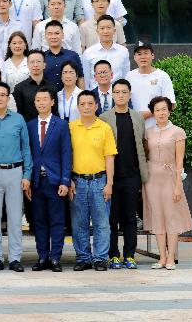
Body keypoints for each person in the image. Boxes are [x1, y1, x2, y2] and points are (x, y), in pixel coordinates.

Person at [0, 82, 31, 272]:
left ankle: (15, 258)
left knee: (15, 217)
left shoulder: (18, 119)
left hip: (15, 172)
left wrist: (27, 174)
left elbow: (26, 148)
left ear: (8, 98)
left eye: (3, 95)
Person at [98, 79, 148, 270]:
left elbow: (142, 145)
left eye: (124, 92)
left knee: (130, 217)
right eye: (117, 92)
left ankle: (130, 255)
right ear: (112, 95)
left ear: (129, 94)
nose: (120, 95)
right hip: (111, 176)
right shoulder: (104, 118)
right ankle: (113, 255)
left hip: (132, 175)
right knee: (111, 218)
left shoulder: (137, 117)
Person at [68, 91, 117, 271]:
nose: (87, 107)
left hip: (99, 181)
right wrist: (68, 180)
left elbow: (110, 157)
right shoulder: (71, 127)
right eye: (83, 104)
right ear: (78, 107)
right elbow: (66, 155)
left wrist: (109, 183)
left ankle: (100, 258)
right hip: (77, 181)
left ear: (96, 106)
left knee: (101, 223)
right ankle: (83, 258)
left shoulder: (104, 128)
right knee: (79, 223)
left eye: (90, 103)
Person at [144, 96, 192, 270]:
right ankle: (162, 258)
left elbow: (180, 162)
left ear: (169, 110)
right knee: (157, 216)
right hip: (151, 179)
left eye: (164, 109)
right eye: (157, 110)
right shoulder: (147, 132)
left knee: (171, 216)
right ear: (153, 113)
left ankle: (171, 257)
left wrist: (178, 185)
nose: (161, 113)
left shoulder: (178, 132)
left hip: (170, 178)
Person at [26, 88, 72, 272]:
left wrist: (65, 181)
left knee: (57, 221)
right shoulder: (29, 126)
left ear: (52, 102)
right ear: (34, 103)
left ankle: (55, 258)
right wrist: (28, 180)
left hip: (55, 181)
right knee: (39, 221)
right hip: (37, 181)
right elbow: (28, 154)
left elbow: (66, 154)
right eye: (38, 100)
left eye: (45, 99)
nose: (41, 102)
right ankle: (43, 256)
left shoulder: (61, 125)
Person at [126, 43, 176, 128]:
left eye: (146, 53)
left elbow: (171, 104)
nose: (143, 57)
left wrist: (147, 114)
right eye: (139, 54)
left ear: (152, 56)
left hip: (157, 128)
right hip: (133, 127)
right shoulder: (129, 76)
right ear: (134, 57)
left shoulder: (162, 76)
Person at [13, 50, 58, 126]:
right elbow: (19, 113)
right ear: (27, 65)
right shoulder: (19, 88)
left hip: (49, 127)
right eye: (32, 62)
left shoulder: (52, 87)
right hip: (28, 128)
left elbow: (55, 111)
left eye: (38, 61)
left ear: (44, 65)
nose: (35, 65)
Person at [41, 21, 83, 89]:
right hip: (47, 95)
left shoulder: (73, 56)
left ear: (63, 35)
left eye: (57, 33)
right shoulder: (41, 57)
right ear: (45, 36)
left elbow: (80, 78)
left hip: (69, 95)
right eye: (50, 34)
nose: (53, 37)